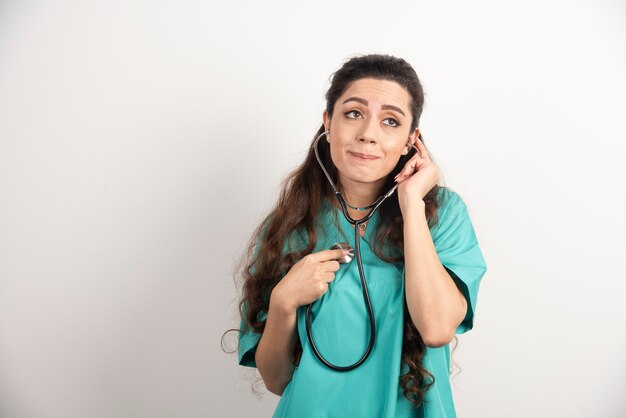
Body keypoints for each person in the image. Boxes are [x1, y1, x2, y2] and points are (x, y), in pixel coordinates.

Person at [235, 54, 487, 417]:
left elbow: (435, 329)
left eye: (390, 121)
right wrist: (283, 301)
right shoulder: (289, 224)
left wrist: (412, 204)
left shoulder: (442, 214)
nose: (368, 133)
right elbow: (276, 380)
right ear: (328, 124)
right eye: (353, 113)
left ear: (410, 141)